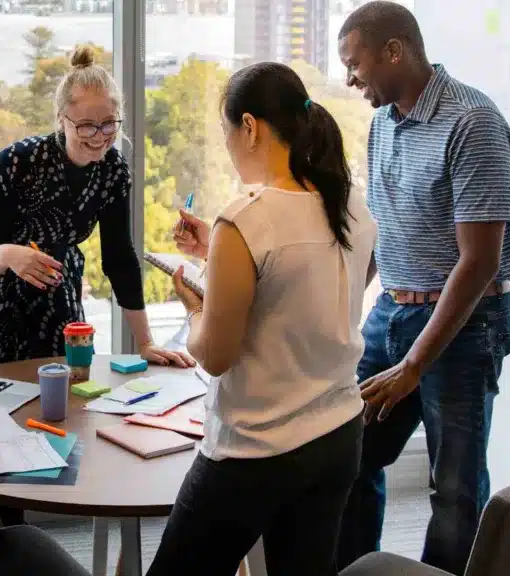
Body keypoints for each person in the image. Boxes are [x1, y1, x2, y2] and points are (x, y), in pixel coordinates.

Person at [146, 62, 375, 576]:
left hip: (257, 449)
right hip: (337, 434)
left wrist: (195, 305)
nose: (228, 146)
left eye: (227, 132)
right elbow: (308, 298)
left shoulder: (246, 218)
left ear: (248, 126)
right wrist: (219, 257)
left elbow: (216, 355)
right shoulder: (352, 206)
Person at [334, 3, 510, 574]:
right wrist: (337, 308)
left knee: (454, 491)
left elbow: (480, 261)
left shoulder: (473, 122)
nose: (350, 79)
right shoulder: (382, 122)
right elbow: (383, 229)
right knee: (347, 455)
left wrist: (415, 364)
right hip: (392, 313)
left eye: (355, 64)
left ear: (394, 51)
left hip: (466, 326)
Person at [0, 46, 192, 370]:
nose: (99, 136)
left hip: (51, 273)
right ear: (62, 119)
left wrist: (145, 343)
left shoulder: (113, 171)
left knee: (65, 373)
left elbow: (120, 259)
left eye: (109, 124)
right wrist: (10, 255)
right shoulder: (18, 162)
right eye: (86, 125)